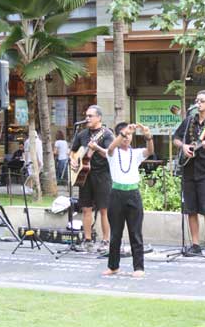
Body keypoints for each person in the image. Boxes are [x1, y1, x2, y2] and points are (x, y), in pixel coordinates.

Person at [172, 90, 205, 258]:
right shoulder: (189, 121)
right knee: (191, 209)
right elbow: (176, 138)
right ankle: (195, 245)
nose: (199, 103)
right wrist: (183, 147)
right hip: (188, 170)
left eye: (202, 101)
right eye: (197, 101)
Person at [103, 122, 154, 278]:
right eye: (124, 135)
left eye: (130, 135)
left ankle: (138, 267)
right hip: (116, 194)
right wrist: (123, 133)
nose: (127, 138)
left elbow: (150, 151)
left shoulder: (136, 153)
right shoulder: (111, 152)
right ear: (119, 136)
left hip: (133, 194)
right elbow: (111, 148)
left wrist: (148, 136)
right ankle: (113, 266)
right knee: (116, 233)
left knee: (135, 233)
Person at [70, 105, 114, 253]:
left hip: (102, 175)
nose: (87, 118)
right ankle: (87, 240)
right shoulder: (82, 134)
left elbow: (110, 154)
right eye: (86, 116)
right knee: (86, 208)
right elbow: (73, 151)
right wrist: (73, 160)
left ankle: (106, 241)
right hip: (85, 176)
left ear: (99, 118)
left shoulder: (107, 134)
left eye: (90, 116)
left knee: (104, 209)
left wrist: (97, 149)